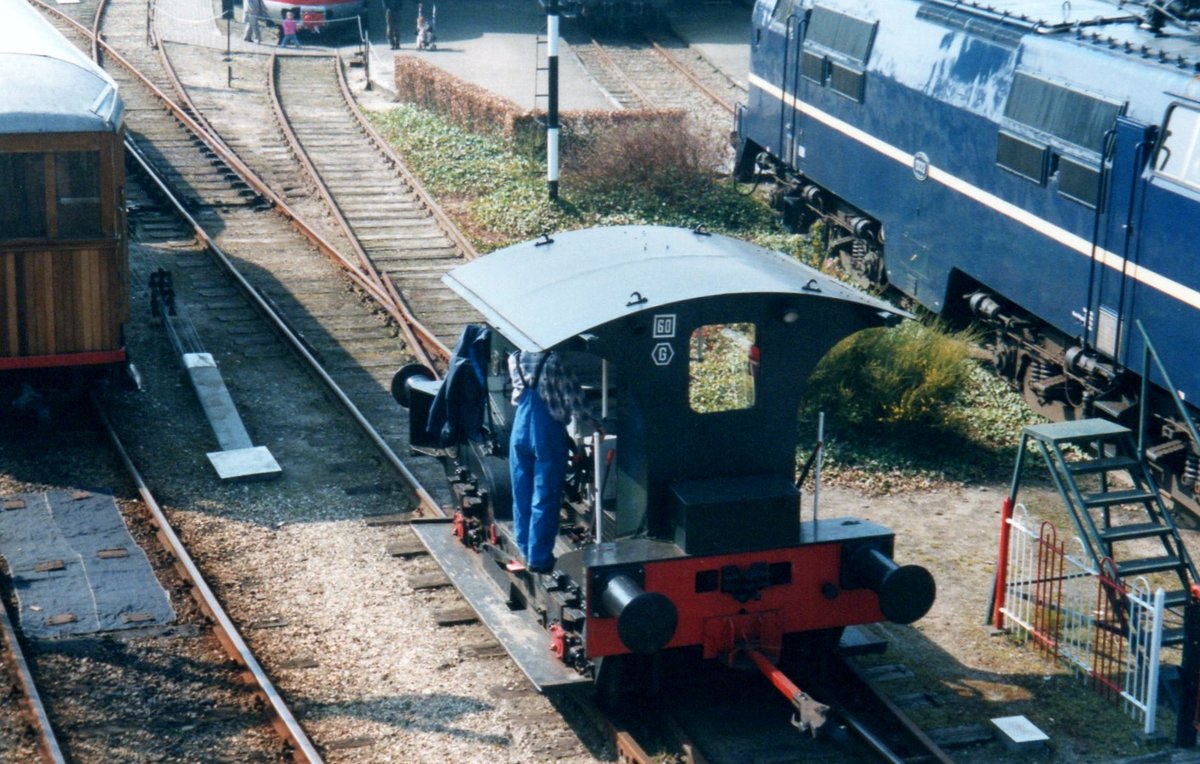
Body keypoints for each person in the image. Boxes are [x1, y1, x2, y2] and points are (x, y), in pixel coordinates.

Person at [507, 350, 601, 574]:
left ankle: (525, 550)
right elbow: (574, 398)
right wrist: (596, 423)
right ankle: (539, 558)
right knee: (545, 494)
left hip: (519, 428)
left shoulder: (515, 357)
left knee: (521, 492)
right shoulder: (555, 361)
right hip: (546, 431)